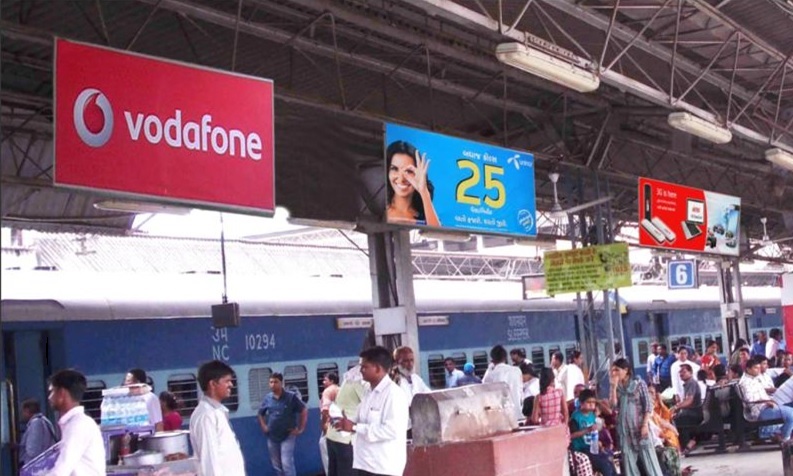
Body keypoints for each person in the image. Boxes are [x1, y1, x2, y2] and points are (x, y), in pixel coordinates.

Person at [334, 346, 409, 476]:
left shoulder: (394, 395)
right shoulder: (368, 392)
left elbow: (391, 430)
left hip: (383, 467)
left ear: (378, 368)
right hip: (365, 464)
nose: (361, 370)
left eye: (364, 367)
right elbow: (359, 419)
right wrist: (346, 424)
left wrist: (355, 427)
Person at [189, 360, 246, 476]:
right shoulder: (206, 416)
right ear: (212, 384)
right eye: (227, 381)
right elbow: (209, 460)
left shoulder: (215, 411)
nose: (231, 384)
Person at [609, 358, 664, 476]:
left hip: (639, 426)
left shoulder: (639, 384)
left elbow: (648, 406)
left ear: (626, 370)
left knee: (649, 458)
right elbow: (613, 406)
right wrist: (613, 388)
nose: (614, 373)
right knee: (629, 461)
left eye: (617, 370)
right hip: (625, 431)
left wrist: (644, 425)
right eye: (613, 370)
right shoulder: (617, 387)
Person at [47, 369, 105, 475]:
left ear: (61, 393)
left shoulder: (77, 425)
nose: (49, 397)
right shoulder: (78, 423)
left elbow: (61, 470)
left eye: (52, 391)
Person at [258, 372, 308, 476]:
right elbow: (260, 413)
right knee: (277, 465)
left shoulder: (291, 397)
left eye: (276, 382)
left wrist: (300, 429)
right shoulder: (268, 398)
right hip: (272, 436)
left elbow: (304, 410)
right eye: (271, 382)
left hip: (288, 434)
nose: (273, 384)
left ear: (282, 383)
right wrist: (264, 426)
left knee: (286, 463)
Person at [326, 362, 369, 476]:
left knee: (334, 472)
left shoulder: (350, 378)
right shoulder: (360, 382)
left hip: (333, 436)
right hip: (346, 438)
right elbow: (371, 404)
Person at [385, 140, 440, 227]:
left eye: (409, 171)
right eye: (394, 169)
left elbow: (438, 233)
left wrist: (423, 191)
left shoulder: (425, 216)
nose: (401, 179)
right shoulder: (380, 211)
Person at [739, 356, 793, 442]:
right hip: (760, 410)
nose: (758, 370)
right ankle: (784, 438)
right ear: (748, 369)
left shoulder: (755, 378)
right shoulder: (746, 383)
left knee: (790, 410)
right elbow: (749, 399)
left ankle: (780, 434)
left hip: (767, 406)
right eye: (756, 368)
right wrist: (767, 401)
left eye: (759, 368)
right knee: (791, 414)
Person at [569, 389, 616, 476]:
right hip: (581, 448)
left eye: (593, 402)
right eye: (588, 402)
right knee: (604, 464)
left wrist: (598, 442)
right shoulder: (576, 417)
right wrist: (587, 430)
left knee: (609, 460)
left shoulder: (592, 415)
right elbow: (571, 435)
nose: (591, 405)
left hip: (592, 447)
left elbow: (594, 433)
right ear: (581, 403)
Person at [483, 345, 524, 422]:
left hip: (501, 417)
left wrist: (490, 367)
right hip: (517, 413)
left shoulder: (491, 374)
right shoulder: (516, 370)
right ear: (505, 358)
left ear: (492, 359)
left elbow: (484, 387)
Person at [670, 364, 702, 456]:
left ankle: (685, 446)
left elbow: (689, 401)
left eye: (684, 372)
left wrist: (676, 407)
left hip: (695, 412)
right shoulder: (688, 383)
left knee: (676, 419)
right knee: (676, 416)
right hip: (692, 411)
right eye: (680, 372)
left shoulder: (691, 383)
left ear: (690, 372)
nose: (681, 374)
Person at [18, 398, 57, 466]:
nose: (21, 415)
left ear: (27, 411)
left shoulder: (36, 423)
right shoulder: (45, 421)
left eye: (22, 412)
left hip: (35, 467)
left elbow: (32, 450)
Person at [531, 367, 568, 432]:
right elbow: (565, 412)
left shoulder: (538, 397)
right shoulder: (559, 392)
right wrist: (565, 426)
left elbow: (535, 419)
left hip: (546, 431)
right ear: (552, 379)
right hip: (559, 428)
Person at [319, 372, 340, 476]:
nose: (323, 382)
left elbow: (325, 410)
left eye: (325, 380)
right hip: (339, 427)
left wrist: (324, 425)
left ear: (332, 381)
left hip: (329, 427)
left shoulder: (328, 391)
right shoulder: (341, 390)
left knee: (326, 453)